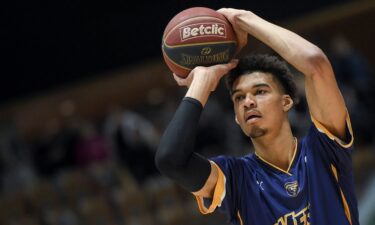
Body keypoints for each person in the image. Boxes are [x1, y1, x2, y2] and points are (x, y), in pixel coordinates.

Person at [155, 8, 359, 225]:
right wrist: (202, 81)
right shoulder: (235, 178)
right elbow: (170, 160)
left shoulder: (323, 150)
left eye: (260, 92)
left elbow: (315, 62)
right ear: (236, 117)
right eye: (239, 98)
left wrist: (244, 19)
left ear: (286, 101)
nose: (248, 102)